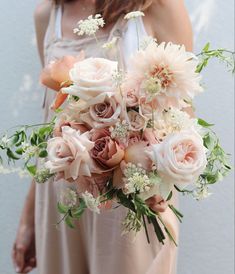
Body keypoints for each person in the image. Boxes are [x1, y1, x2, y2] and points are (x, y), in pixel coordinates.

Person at [12, 0, 193, 273]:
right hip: (62, 205)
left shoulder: (159, 6)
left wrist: (164, 186)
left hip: (129, 206)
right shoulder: (47, 15)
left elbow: (184, 117)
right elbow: (51, 126)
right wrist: (28, 219)